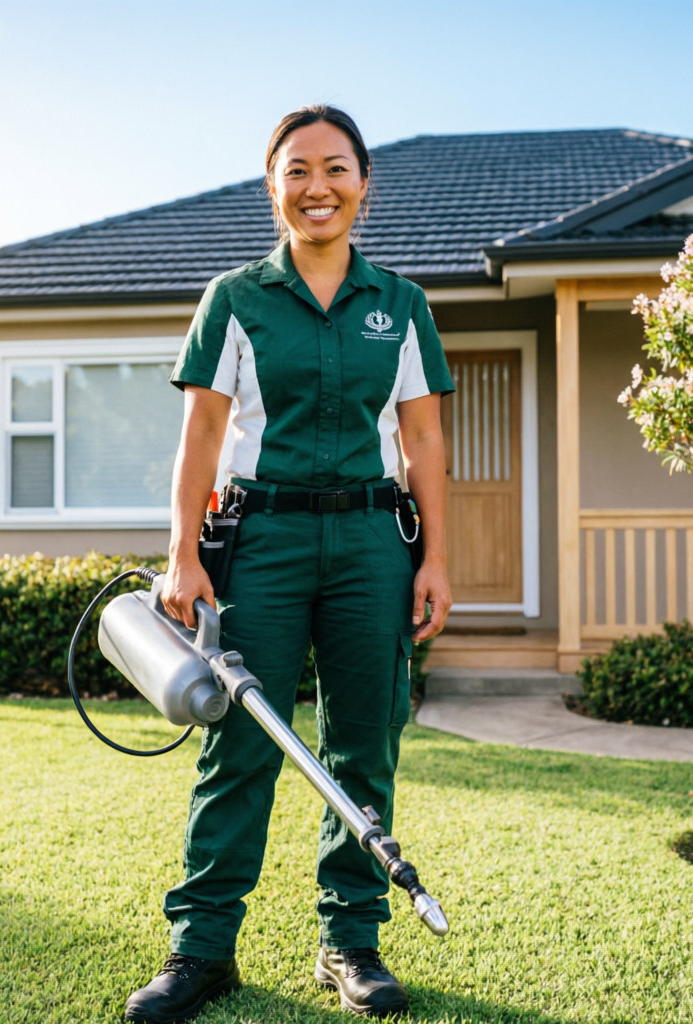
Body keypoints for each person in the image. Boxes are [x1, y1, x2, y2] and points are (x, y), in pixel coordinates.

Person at [124, 104, 454, 1024]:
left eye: (337, 169)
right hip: (259, 543)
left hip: (369, 546)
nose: (319, 187)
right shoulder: (234, 298)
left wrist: (435, 560)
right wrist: (183, 556)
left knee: (363, 740)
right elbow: (201, 435)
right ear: (273, 186)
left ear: (363, 183)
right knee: (242, 741)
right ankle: (201, 952)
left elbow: (424, 440)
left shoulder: (402, 303)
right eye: (298, 169)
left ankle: (349, 942)